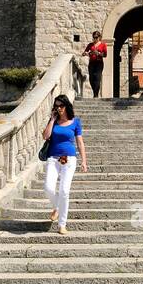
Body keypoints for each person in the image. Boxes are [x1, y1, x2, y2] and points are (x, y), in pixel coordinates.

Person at [41, 93, 87, 235]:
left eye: (61, 106)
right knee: (48, 187)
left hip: (69, 159)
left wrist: (84, 161)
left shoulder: (75, 122)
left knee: (64, 191)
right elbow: (45, 136)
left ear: (66, 106)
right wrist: (52, 119)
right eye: (56, 106)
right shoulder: (53, 121)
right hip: (53, 158)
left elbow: (80, 142)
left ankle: (62, 224)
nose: (59, 108)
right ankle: (57, 207)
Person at [82, 30, 107, 98]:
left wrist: (98, 53)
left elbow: (105, 55)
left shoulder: (103, 45)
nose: (95, 39)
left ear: (99, 37)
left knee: (97, 78)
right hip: (92, 63)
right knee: (91, 79)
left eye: (96, 37)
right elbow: (84, 52)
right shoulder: (90, 45)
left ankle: (95, 95)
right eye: (94, 37)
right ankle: (95, 92)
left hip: (99, 63)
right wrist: (86, 53)